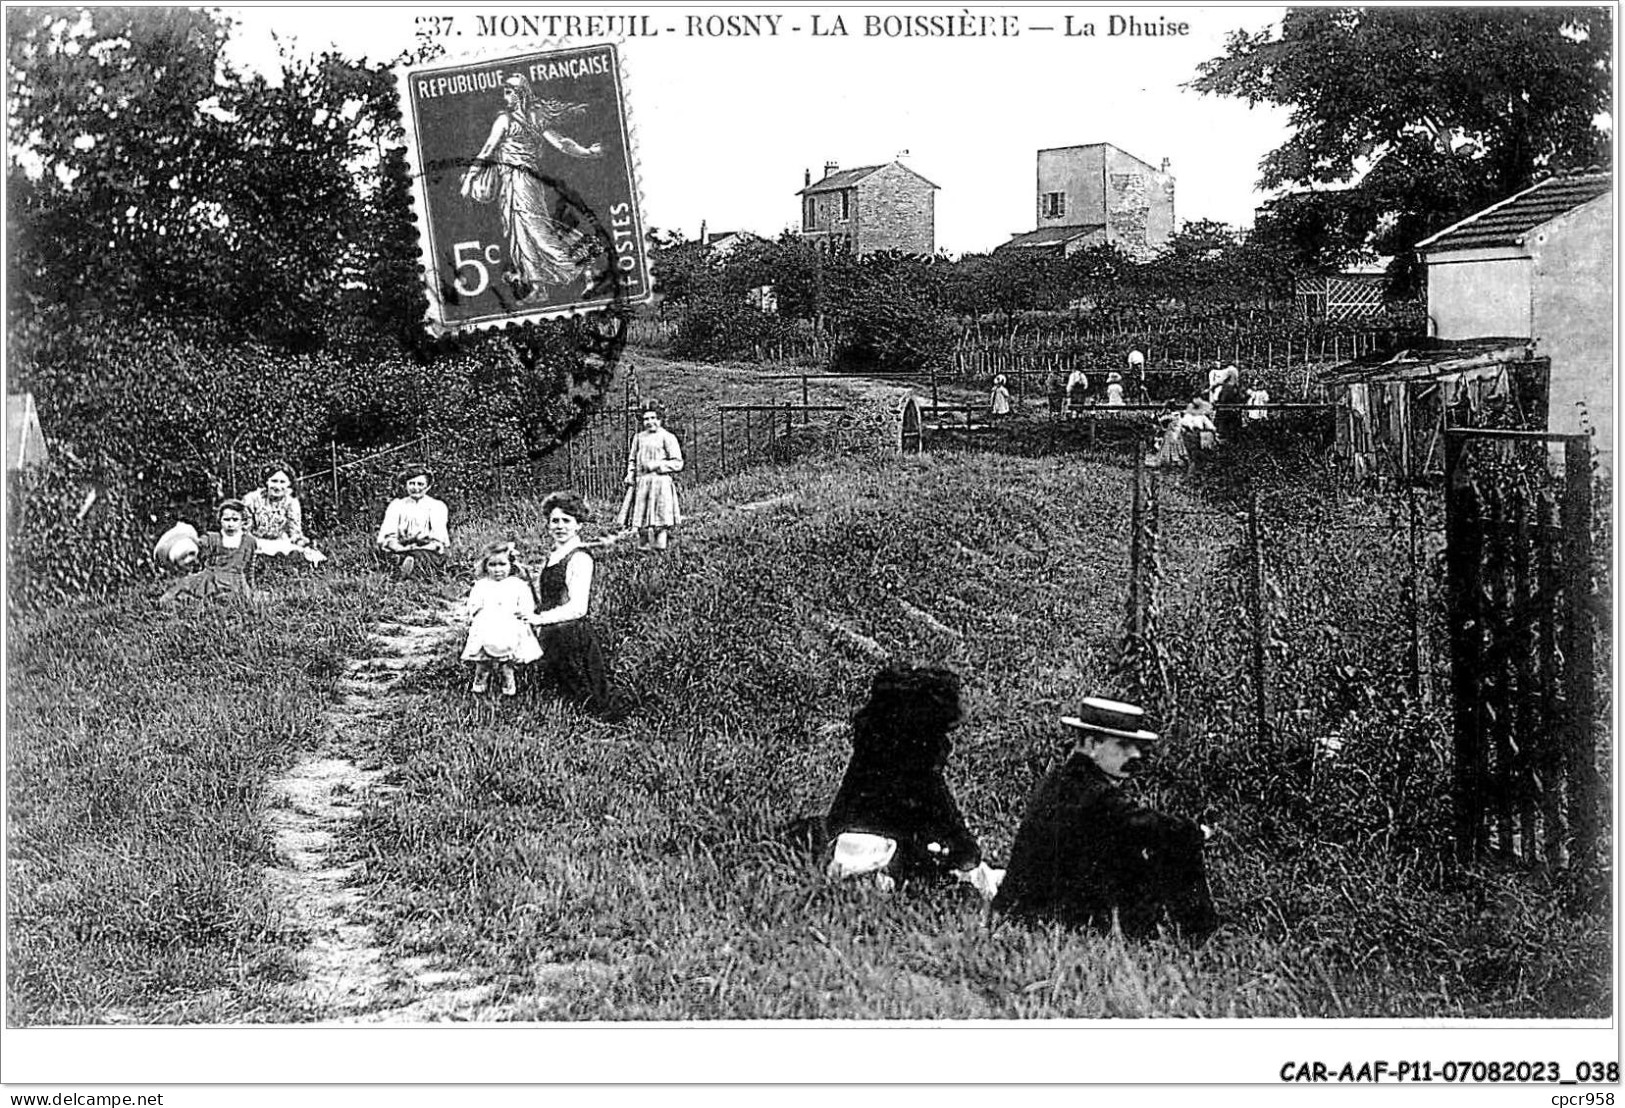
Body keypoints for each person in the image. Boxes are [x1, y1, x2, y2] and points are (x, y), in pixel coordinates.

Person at [994, 696, 1217, 941]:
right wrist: (1196, 832)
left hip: (1028, 913)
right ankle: (1199, 941)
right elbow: (1145, 824)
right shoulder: (1089, 792)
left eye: (1135, 746)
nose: (1134, 754)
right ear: (1092, 743)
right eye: (1123, 745)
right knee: (1178, 842)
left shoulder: (1062, 781)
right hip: (1057, 920)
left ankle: (1185, 937)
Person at [824, 665, 1001, 899]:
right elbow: (964, 849)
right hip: (881, 859)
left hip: (846, 845)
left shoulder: (871, 753)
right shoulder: (917, 770)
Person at [460, 74, 606, 304]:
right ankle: (539, 288)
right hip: (518, 182)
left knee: (538, 232)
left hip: (521, 182)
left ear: (519, 95)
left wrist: (470, 178)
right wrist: (587, 152)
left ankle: (589, 269)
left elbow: (487, 150)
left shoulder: (506, 121)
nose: (504, 96)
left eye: (508, 91)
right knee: (521, 235)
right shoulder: (533, 119)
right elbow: (562, 143)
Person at [525, 491, 610, 712]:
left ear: (579, 524)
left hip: (572, 638)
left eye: (566, 521)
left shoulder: (579, 557)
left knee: (584, 700)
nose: (560, 526)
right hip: (552, 636)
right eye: (555, 521)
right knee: (553, 698)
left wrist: (541, 619)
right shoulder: (554, 554)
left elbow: (578, 608)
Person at [461, 540, 542, 697]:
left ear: (511, 565)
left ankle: (508, 687)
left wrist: (523, 614)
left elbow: (527, 605)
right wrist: (477, 615)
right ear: (485, 566)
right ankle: (479, 684)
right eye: (492, 565)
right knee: (483, 660)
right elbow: (473, 605)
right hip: (487, 626)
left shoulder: (518, 585)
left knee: (507, 662)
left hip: (509, 627)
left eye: (502, 564)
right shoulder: (481, 585)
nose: (498, 570)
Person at [161, 499, 257, 602]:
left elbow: (249, 568)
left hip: (235, 582)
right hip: (212, 579)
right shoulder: (213, 538)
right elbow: (199, 545)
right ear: (220, 520)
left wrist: (251, 589)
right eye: (226, 519)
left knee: (230, 600)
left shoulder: (249, 542)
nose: (230, 524)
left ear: (243, 521)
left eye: (235, 519)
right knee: (181, 592)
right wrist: (187, 545)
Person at [618, 405, 684, 553]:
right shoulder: (638, 438)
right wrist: (630, 473)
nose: (650, 422)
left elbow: (678, 463)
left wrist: (658, 465)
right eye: (646, 419)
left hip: (660, 483)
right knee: (641, 519)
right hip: (642, 483)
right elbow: (632, 459)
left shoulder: (667, 437)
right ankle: (643, 552)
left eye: (653, 418)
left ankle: (660, 552)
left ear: (660, 419)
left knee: (660, 519)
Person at [376, 464, 450, 579]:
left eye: (420, 484)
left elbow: (438, 541)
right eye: (411, 483)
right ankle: (404, 565)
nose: (416, 488)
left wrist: (417, 547)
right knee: (389, 555)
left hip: (426, 549)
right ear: (406, 485)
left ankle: (406, 568)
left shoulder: (436, 506)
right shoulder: (397, 505)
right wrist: (399, 547)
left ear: (428, 486)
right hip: (400, 547)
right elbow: (388, 535)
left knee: (425, 557)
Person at [242, 463, 325, 564]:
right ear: (266, 482)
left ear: (289, 484)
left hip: (280, 542)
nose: (277, 486)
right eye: (274, 481)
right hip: (255, 542)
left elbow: (294, 532)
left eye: (282, 482)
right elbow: (245, 531)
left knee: (303, 552)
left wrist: (303, 542)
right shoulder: (251, 500)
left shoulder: (291, 503)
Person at [1210, 365, 1244, 440]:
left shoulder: (1228, 387)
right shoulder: (1230, 387)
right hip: (1228, 409)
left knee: (1225, 424)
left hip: (1226, 409)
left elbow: (1221, 399)